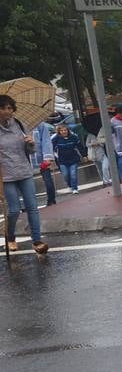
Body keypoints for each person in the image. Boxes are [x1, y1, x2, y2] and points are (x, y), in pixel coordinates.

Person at [0, 95, 48, 254]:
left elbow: (30, 151)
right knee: (13, 210)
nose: (7, 111)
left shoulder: (19, 125)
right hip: (6, 176)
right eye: (3, 108)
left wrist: (31, 144)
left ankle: (37, 241)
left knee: (32, 207)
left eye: (9, 108)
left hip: (24, 171)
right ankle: (10, 236)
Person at [30, 116, 57, 206]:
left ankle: (51, 199)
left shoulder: (40, 124)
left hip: (41, 157)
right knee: (27, 184)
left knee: (47, 180)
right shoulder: (17, 126)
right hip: (25, 160)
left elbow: (46, 140)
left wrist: (47, 157)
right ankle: (29, 204)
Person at [52, 122, 85, 195]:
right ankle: (70, 185)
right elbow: (51, 148)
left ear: (68, 130)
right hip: (62, 160)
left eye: (65, 130)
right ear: (59, 132)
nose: (64, 132)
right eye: (62, 130)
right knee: (65, 175)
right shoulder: (56, 139)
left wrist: (84, 155)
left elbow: (80, 147)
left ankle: (74, 188)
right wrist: (51, 157)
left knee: (73, 174)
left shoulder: (74, 137)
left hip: (73, 159)